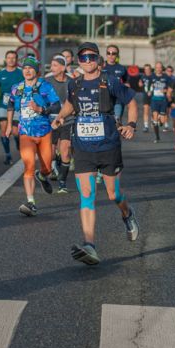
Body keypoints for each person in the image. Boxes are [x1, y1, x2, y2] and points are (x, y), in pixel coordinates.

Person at [52, 42, 139, 266]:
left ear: (98, 59)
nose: (87, 61)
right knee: (87, 194)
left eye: (91, 57)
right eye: (83, 58)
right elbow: (70, 104)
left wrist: (131, 125)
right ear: (78, 61)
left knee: (113, 195)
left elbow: (131, 101)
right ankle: (89, 245)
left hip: (108, 146)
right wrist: (61, 116)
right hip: (82, 147)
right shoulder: (75, 83)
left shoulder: (110, 81)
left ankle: (127, 214)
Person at [6, 56, 60, 216]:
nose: (27, 71)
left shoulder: (45, 86)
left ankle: (42, 176)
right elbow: (10, 104)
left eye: (30, 68)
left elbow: (56, 104)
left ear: (37, 70)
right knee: (28, 166)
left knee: (47, 168)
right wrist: (9, 125)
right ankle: (31, 202)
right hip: (26, 133)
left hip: (44, 132)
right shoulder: (17, 88)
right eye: (25, 68)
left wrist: (41, 110)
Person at [46, 55, 75, 193]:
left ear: (63, 68)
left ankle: (62, 183)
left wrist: (69, 113)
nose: (52, 68)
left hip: (68, 121)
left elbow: (77, 101)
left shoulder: (72, 82)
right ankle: (53, 163)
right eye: (51, 65)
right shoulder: (46, 81)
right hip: (50, 122)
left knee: (65, 150)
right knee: (50, 154)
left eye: (55, 65)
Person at [0, 50, 23, 165]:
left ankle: (18, 142)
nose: (11, 60)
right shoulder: (0, 74)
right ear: (5, 59)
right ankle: (8, 155)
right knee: (3, 129)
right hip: (4, 105)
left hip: (17, 106)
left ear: (16, 60)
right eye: (9, 58)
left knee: (15, 132)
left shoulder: (21, 73)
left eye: (13, 58)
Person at [102, 45, 129, 123]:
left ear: (117, 55)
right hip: (104, 100)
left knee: (117, 121)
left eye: (113, 53)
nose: (110, 55)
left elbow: (126, 82)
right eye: (108, 53)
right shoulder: (101, 67)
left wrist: (126, 86)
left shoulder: (122, 68)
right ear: (106, 54)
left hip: (118, 100)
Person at [148, 62, 172, 142]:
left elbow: (170, 88)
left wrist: (165, 90)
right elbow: (148, 86)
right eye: (157, 67)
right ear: (155, 68)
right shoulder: (152, 76)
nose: (158, 69)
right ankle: (157, 136)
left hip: (163, 101)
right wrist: (149, 91)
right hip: (154, 100)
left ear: (162, 68)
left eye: (160, 67)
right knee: (155, 119)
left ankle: (160, 121)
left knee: (162, 121)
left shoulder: (166, 77)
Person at [140, 64, 154, 132]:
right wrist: (139, 83)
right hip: (145, 96)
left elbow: (155, 84)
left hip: (153, 96)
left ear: (150, 69)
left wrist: (151, 91)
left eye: (148, 69)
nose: (147, 71)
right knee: (146, 110)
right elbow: (140, 84)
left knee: (153, 110)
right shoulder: (143, 76)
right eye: (145, 69)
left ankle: (153, 121)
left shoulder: (153, 76)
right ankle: (146, 126)